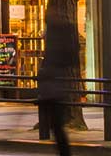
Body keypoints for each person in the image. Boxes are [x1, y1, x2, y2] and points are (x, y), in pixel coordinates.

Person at [33, 17, 84, 156]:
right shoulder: (61, 46)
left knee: (56, 127)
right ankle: (64, 152)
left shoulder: (54, 49)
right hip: (55, 91)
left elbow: (49, 71)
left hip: (52, 92)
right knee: (57, 127)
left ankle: (64, 152)